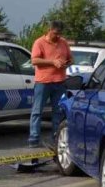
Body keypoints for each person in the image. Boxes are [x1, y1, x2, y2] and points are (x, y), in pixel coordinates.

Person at [28, 21, 73, 149]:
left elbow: (71, 59)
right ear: (49, 30)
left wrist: (66, 63)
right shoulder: (39, 42)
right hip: (43, 82)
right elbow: (34, 60)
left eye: (60, 33)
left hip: (60, 81)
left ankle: (56, 138)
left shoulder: (63, 42)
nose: (58, 36)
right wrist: (53, 62)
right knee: (37, 111)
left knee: (58, 111)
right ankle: (34, 138)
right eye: (55, 33)